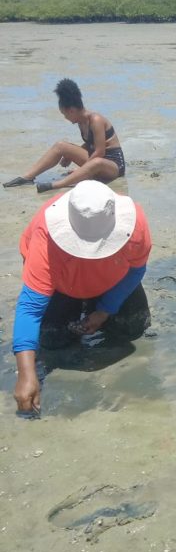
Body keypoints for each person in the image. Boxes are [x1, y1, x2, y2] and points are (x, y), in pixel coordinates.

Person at [12, 180, 152, 414]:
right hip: (63, 285)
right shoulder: (45, 238)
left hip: (112, 279)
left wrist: (105, 309)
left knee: (133, 327)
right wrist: (26, 375)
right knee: (53, 340)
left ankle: (94, 304)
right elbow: (30, 307)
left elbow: (136, 270)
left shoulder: (135, 225)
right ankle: (80, 303)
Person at [3, 78, 127, 193]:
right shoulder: (80, 121)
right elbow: (91, 143)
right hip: (97, 161)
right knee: (61, 146)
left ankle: (56, 185)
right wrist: (70, 154)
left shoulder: (96, 120)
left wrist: (80, 170)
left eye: (64, 114)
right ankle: (27, 177)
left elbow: (100, 152)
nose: (65, 118)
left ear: (72, 110)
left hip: (114, 166)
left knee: (97, 162)